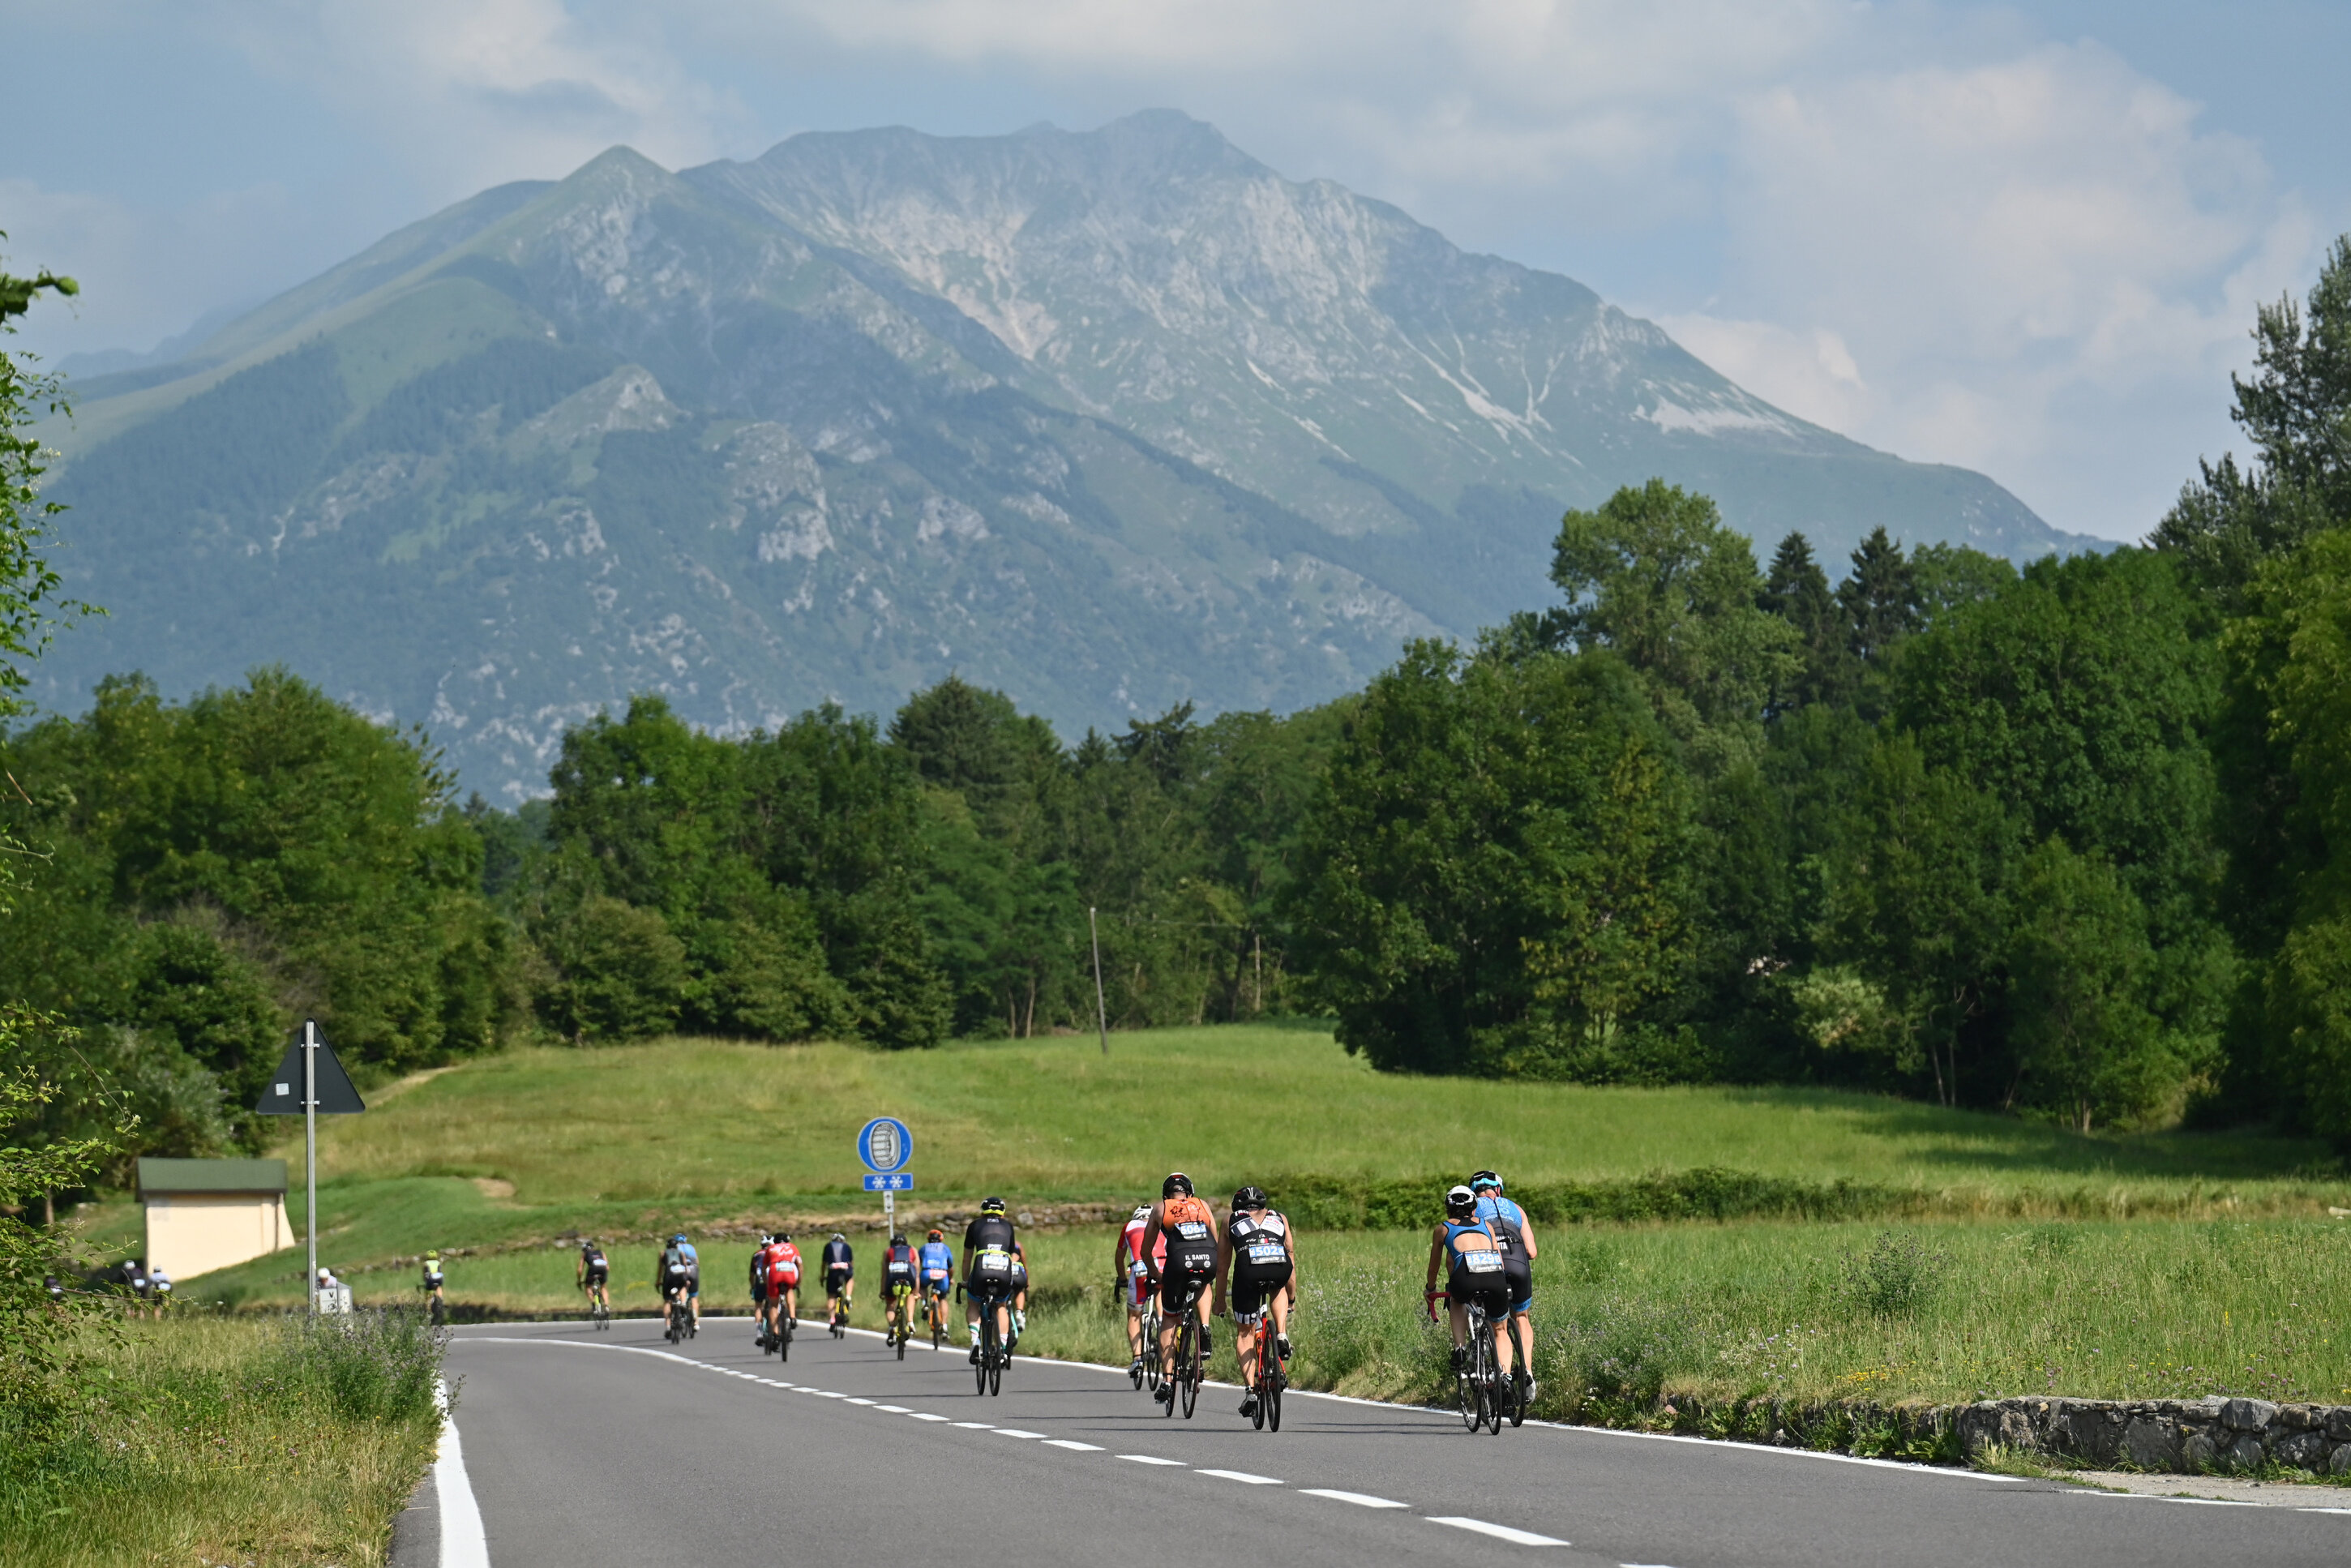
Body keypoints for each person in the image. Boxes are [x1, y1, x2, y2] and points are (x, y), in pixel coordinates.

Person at [1214, 1186, 1295, 1419]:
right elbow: (1290, 1255)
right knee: (1278, 1287)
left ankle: (1251, 1390)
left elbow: (1222, 1267)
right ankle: (1281, 1333)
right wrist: (1292, 1297)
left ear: (1237, 1207)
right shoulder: (1280, 1217)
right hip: (1279, 1266)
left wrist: (1219, 1302)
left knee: (1245, 1333)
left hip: (1248, 1271)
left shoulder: (1229, 1220)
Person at [1140, 1173, 1218, 1407]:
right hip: (1208, 1256)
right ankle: (1205, 1326)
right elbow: (1215, 1239)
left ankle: (1167, 1379)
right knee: (1205, 1282)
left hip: (1178, 1261)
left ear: (1166, 1195)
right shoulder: (1203, 1204)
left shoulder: (1160, 1208)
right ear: (1190, 1193)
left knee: (1169, 1318)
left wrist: (1156, 1275)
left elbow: (1146, 1251)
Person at [1424, 1185, 1514, 1380]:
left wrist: (1430, 1289)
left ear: (1448, 1210)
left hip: (1465, 1279)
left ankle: (1460, 1348)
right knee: (1500, 1330)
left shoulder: (1443, 1229)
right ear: (1474, 1210)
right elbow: (1499, 1259)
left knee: (1456, 1299)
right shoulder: (1487, 1225)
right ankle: (1505, 1378)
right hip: (1495, 1276)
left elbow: (1434, 1267)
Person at [1470, 1169, 1539, 1399]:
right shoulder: (1516, 1208)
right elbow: (1532, 1251)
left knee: (1498, 1326)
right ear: (1499, 1190)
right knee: (1522, 1317)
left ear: (1474, 1192)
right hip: (1518, 1262)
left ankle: (1504, 1376)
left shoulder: (1472, 1209)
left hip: (1492, 1264)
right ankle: (1527, 1370)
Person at [960, 1197, 1024, 1364]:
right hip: (1003, 1266)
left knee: (973, 1303)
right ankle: (1002, 1348)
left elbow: (967, 1258)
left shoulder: (974, 1225)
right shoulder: (1008, 1226)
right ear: (1002, 1213)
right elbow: (1011, 1253)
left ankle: (975, 1340)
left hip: (982, 1265)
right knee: (1001, 1306)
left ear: (982, 1212)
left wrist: (966, 1281)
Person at [1113, 1202, 1163, 1381]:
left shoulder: (1129, 1226)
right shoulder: (1162, 1224)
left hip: (1140, 1269)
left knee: (1134, 1315)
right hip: (1163, 1266)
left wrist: (1122, 1279)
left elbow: (1119, 1258)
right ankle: (1161, 1324)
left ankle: (1137, 1359)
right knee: (1162, 1305)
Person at [760, 1232, 802, 1343]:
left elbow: (764, 1268)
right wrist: (798, 1283)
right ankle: (793, 1317)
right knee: (789, 1290)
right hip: (789, 1270)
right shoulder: (793, 1247)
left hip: (775, 1271)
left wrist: (767, 1283)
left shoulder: (771, 1249)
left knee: (774, 1305)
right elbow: (799, 1265)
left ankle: (775, 1334)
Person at [880, 1232, 919, 1344]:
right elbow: (917, 1273)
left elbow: (884, 1273)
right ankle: (910, 1321)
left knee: (890, 1304)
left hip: (893, 1276)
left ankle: (892, 1327)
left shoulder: (888, 1250)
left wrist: (883, 1291)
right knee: (911, 1294)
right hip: (909, 1275)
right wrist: (916, 1291)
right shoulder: (913, 1250)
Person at [658, 1233, 700, 1334]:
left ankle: (669, 1325)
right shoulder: (691, 1247)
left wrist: (658, 1281)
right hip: (691, 1271)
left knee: (668, 1300)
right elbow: (696, 1262)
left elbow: (661, 1268)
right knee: (693, 1296)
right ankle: (695, 1322)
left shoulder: (666, 1252)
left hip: (671, 1274)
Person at [919, 1227, 954, 1339]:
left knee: (922, 1286)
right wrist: (950, 1279)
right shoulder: (945, 1248)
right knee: (943, 1298)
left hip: (927, 1272)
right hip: (942, 1274)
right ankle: (944, 1326)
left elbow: (917, 1263)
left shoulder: (924, 1247)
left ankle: (924, 1304)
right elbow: (951, 1268)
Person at [821, 1232, 854, 1330]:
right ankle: (848, 1296)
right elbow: (851, 1262)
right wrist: (850, 1271)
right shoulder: (847, 1246)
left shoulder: (828, 1246)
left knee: (831, 1296)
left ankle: (832, 1319)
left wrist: (822, 1276)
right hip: (845, 1269)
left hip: (833, 1271)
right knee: (850, 1279)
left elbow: (824, 1263)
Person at [576, 1238, 611, 1317]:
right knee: (603, 1287)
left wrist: (579, 1280)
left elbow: (580, 1270)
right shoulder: (601, 1252)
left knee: (588, 1287)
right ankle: (606, 1306)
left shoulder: (585, 1254)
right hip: (603, 1268)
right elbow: (607, 1267)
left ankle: (594, 1304)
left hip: (593, 1268)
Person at [422, 1250, 447, 1318]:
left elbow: (425, 1274)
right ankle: (440, 1298)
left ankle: (428, 1311)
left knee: (428, 1296)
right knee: (439, 1287)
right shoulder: (438, 1263)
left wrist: (425, 1280)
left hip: (431, 1279)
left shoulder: (426, 1263)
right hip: (439, 1278)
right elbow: (440, 1271)